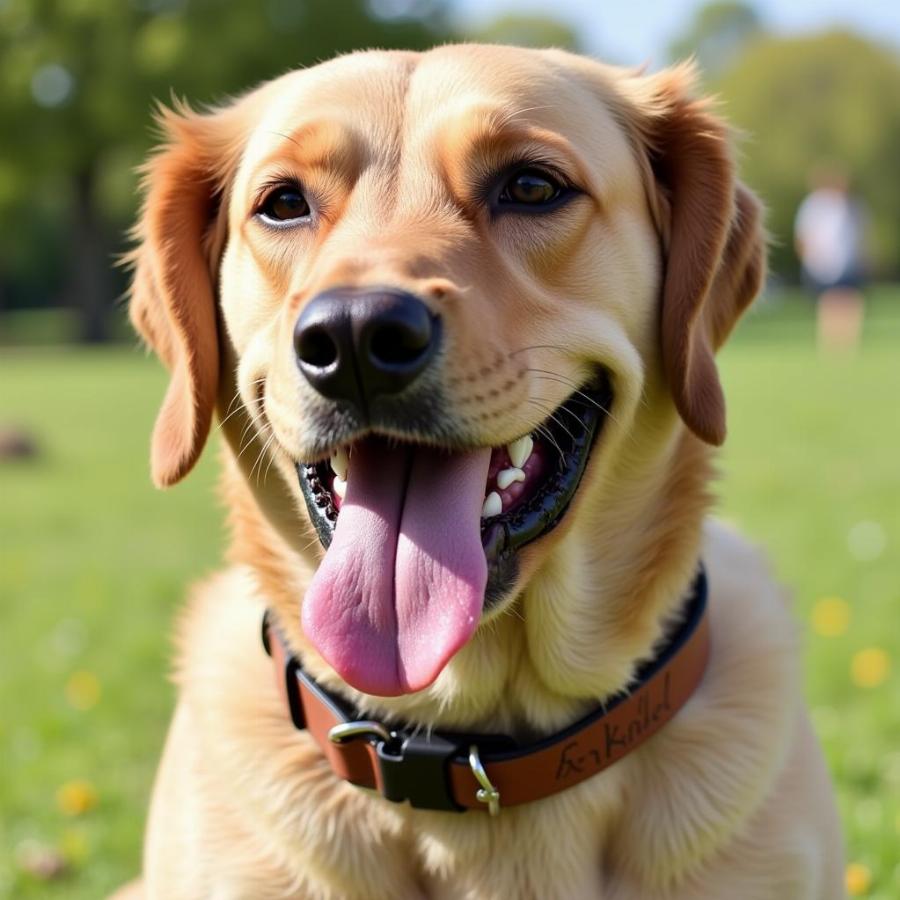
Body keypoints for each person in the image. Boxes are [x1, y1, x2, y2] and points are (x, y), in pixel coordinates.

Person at [794, 169, 867, 352]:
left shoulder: (852, 206)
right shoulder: (814, 206)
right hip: (822, 264)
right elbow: (804, 236)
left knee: (849, 301)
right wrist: (810, 260)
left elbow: (860, 236)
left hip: (848, 262)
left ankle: (848, 342)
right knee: (830, 302)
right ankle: (831, 343)